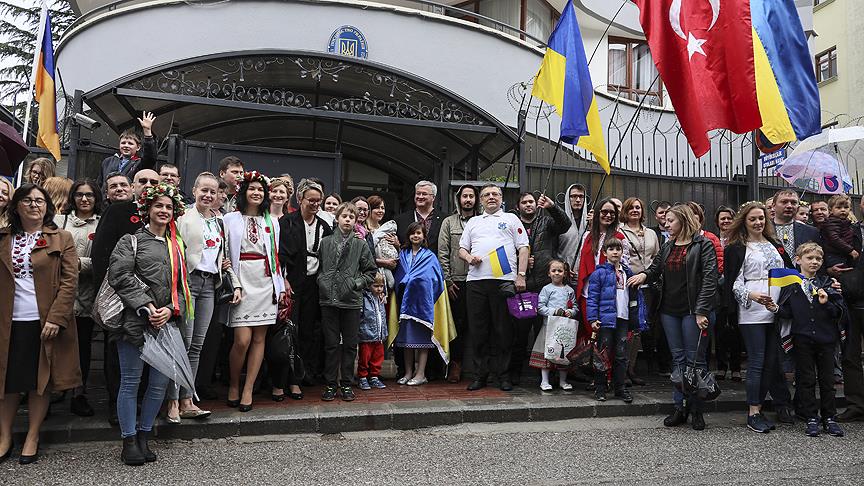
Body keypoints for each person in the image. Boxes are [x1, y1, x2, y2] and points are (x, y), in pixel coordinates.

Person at [108, 182, 190, 466]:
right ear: (148, 209)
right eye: (159, 206)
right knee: (131, 382)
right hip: (134, 322)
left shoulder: (177, 244)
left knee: (158, 385)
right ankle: (128, 440)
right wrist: (146, 305)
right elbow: (120, 276)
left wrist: (169, 309)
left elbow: (183, 286)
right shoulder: (130, 241)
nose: (164, 210)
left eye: (169, 207)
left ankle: (144, 435)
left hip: (165, 324)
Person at [0, 184, 80, 465]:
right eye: (27, 200)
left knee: (40, 382)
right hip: (8, 321)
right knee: (8, 381)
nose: (34, 205)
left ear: (47, 206)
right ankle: (5, 436)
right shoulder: (4, 238)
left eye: (39, 201)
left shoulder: (62, 238)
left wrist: (57, 318)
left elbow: (70, 282)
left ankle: (32, 435)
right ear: (16, 206)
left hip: (44, 321)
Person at [628, 204, 717, 431]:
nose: (666, 224)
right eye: (666, 220)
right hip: (669, 311)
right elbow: (655, 268)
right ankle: (680, 407)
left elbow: (709, 280)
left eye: (671, 220)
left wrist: (701, 311)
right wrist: (642, 275)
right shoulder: (668, 245)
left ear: (684, 221)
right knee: (678, 360)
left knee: (695, 361)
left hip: (692, 311)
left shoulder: (703, 245)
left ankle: (696, 409)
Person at [168, 173, 242, 422]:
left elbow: (222, 256)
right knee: (183, 343)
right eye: (204, 190)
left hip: (211, 284)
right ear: (195, 190)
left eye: (213, 191)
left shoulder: (219, 221)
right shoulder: (183, 217)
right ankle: (173, 400)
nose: (208, 195)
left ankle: (188, 398)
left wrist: (230, 274)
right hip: (189, 283)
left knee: (197, 345)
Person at [90, 168, 160, 425]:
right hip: (121, 299)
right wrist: (108, 297)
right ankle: (116, 406)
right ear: (133, 187)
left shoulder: (164, 212)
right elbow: (100, 254)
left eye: (154, 181)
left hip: (154, 299)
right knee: (118, 355)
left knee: (148, 351)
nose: (148, 185)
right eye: (143, 181)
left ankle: (141, 403)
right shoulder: (119, 211)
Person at [723, 201, 794, 433]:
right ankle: (753, 412)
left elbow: (787, 271)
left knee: (772, 362)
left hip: (775, 308)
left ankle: (761, 407)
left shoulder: (774, 244)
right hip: (752, 309)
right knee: (757, 361)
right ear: (744, 221)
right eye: (753, 218)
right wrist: (751, 294)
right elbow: (733, 281)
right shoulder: (736, 247)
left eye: (761, 218)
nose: (758, 222)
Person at [459, 183, 529, 391]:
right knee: (479, 331)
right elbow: (462, 249)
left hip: (504, 282)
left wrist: (521, 276)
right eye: (487, 195)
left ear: (501, 199)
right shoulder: (473, 221)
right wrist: (469, 257)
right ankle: (480, 375)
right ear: (481, 200)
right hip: (476, 282)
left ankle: (503, 375)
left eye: (495, 194)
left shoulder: (511, 219)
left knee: (503, 331)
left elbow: (523, 248)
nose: (491, 197)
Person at [224, 171, 284, 411]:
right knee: (242, 340)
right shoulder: (230, 219)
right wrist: (231, 278)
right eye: (252, 189)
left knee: (259, 338)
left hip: (265, 280)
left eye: (260, 189)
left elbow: (277, 256)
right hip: (241, 278)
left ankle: (248, 388)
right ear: (243, 192)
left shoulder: (272, 221)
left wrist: (279, 285)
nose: (256, 193)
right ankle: (233, 383)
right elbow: (225, 252)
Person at [775, 242, 845, 437]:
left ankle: (829, 417)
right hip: (802, 338)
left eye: (818, 259)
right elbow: (787, 312)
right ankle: (810, 416)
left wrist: (827, 303)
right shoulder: (792, 285)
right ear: (798, 260)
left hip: (825, 338)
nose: (814, 262)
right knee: (805, 380)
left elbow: (839, 311)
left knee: (827, 380)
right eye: (810, 258)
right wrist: (775, 308)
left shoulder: (828, 283)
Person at [509, 192, 570, 384]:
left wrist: (552, 207)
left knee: (545, 333)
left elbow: (565, 225)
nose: (528, 205)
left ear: (536, 205)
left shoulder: (546, 222)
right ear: (518, 206)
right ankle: (514, 374)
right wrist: (522, 261)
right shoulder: (512, 223)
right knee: (520, 334)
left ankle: (546, 375)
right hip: (523, 288)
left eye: (531, 202)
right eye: (524, 202)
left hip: (546, 287)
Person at [318, 202, 377, 401]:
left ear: (355, 221)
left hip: (351, 300)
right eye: (344, 216)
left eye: (351, 217)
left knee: (351, 344)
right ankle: (330, 383)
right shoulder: (325, 242)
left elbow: (371, 271)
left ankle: (346, 384)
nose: (348, 220)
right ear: (337, 219)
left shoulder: (360, 244)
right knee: (331, 344)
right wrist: (322, 281)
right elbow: (319, 267)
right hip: (328, 299)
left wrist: (355, 283)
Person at [279, 179, 332, 391]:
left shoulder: (324, 226)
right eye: (311, 200)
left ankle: (305, 374)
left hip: (314, 283)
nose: (315, 205)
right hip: (292, 282)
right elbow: (280, 255)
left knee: (309, 330)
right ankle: (287, 377)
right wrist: (283, 279)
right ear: (300, 199)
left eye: (318, 201)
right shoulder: (287, 222)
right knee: (290, 329)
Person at [54, 180, 101, 417]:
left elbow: (103, 259)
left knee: (82, 346)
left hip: (87, 295)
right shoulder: (58, 221)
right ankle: (55, 388)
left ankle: (78, 393)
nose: (84, 199)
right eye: (80, 195)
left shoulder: (101, 224)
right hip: (59, 294)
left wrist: (75, 263)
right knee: (56, 345)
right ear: (73, 197)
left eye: (89, 195)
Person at [391, 221, 454, 386]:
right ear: (408, 236)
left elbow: (434, 279)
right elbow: (399, 276)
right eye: (413, 233)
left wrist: (415, 280)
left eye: (419, 233)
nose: (415, 236)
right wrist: (407, 281)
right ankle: (408, 372)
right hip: (405, 304)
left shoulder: (430, 256)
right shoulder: (402, 254)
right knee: (406, 341)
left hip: (423, 306)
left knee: (423, 341)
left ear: (424, 236)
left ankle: (421, 374)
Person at [588, 238, 647, 403]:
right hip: (606, 320)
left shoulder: (627, 272)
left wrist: (636, 320)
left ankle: (620, 388)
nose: (615, 252)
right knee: (602, 354)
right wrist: (593, 318)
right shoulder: (599, 273)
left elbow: (635, 299)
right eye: (611, 249)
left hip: (623, 319)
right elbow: (592, 298)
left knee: (621, 355)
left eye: (618, 249)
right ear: (604, 253)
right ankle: (600, 388)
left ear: (622, 252)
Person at [437, 184, 478, 383]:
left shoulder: (482, 222)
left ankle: (479, 368)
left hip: (479, 280)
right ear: (459, 199)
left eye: (471, 196)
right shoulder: (449, 222)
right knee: (458, 326)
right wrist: (448, 279)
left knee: (478, 325)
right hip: (457, 282)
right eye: (465, 196)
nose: (468, 199)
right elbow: (443, 253)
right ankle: (456, 365)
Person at [575, 199, 630, 342]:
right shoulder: (587, 236)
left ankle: (608, 364)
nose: (608, 215)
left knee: (607, 339)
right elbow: (582, 260)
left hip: (609, 295)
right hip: (589, 293)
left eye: (612, 212)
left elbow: (623, 267)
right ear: (597, 213)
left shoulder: (620, 238)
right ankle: (593, 364)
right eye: (604, 211)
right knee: (589, 333)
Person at [620, 197, 659, 386]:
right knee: (629, 329)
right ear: (625, 211)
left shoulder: (651, 233)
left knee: (640, 329)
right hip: (629, 286)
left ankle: (632, 367)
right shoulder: (620, 231)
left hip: (648, 286)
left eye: (638, 207)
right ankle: (623, 368)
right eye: (631, 208)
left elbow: (657, 259)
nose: (635, 210)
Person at [530, 259, 576, 391]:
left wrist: (571, 312)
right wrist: (554, 312)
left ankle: (563, 381)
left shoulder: (569, 290)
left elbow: (575, 306)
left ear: (565, 273)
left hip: (564, 329)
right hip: (549, 328)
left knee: (564, 355)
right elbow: (540, 307)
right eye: (554, 270)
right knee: (547, 354)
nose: (557, 273)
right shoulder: (546, 289)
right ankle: (544, 381)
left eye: (560, 271)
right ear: (548, 273)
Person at [714, 206, 742, 382]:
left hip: (735, 289)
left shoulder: (740, 241)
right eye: (722, 218)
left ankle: (736, 367)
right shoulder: (712, 240)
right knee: (719, 330)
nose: (725, 221)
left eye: (729, 218)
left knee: (735, 329)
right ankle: (721, 366)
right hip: (717, 290)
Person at [96, 112, 157, 191]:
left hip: (127, 200)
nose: (126, 145)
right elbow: (99, 183)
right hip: (106, 201)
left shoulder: (139, 163)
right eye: (123, 143)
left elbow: (150, 157)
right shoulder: (108, 161)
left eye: (130, 143)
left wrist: (147, 132)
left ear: (138, 147)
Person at [357, 273, 388, 391]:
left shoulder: (381, 298)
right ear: (369, 285)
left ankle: (374, 376)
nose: (379, 288)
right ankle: (363, 377)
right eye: (376, 286)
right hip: (366, 335)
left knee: (377, 358)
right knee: (364, 358)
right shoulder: (364, 298)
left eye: (381, 286)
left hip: (379, 336)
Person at [394, 180, 443, 254]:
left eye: (424, 194)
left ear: (433, 197)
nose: (420, 197)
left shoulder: (445, 220)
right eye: (418, 193)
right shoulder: (400, 220)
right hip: (407, 264)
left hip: (435, 264)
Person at [558, 183, 589, 279]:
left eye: (581, 196)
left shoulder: (590, 222)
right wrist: (562, 265)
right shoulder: (559, 221)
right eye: (574, 196)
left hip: (586, 274)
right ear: (568, 198)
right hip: (563, 274)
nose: (578, 200)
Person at [820, 194, 858, 270]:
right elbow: (834, 239)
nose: (843, 210)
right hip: (834, 255)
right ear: (830, 210)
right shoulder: (831, 222)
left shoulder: (845, 222)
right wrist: (850, 250)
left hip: (843, 253)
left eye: (846, 207)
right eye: (838, 208)